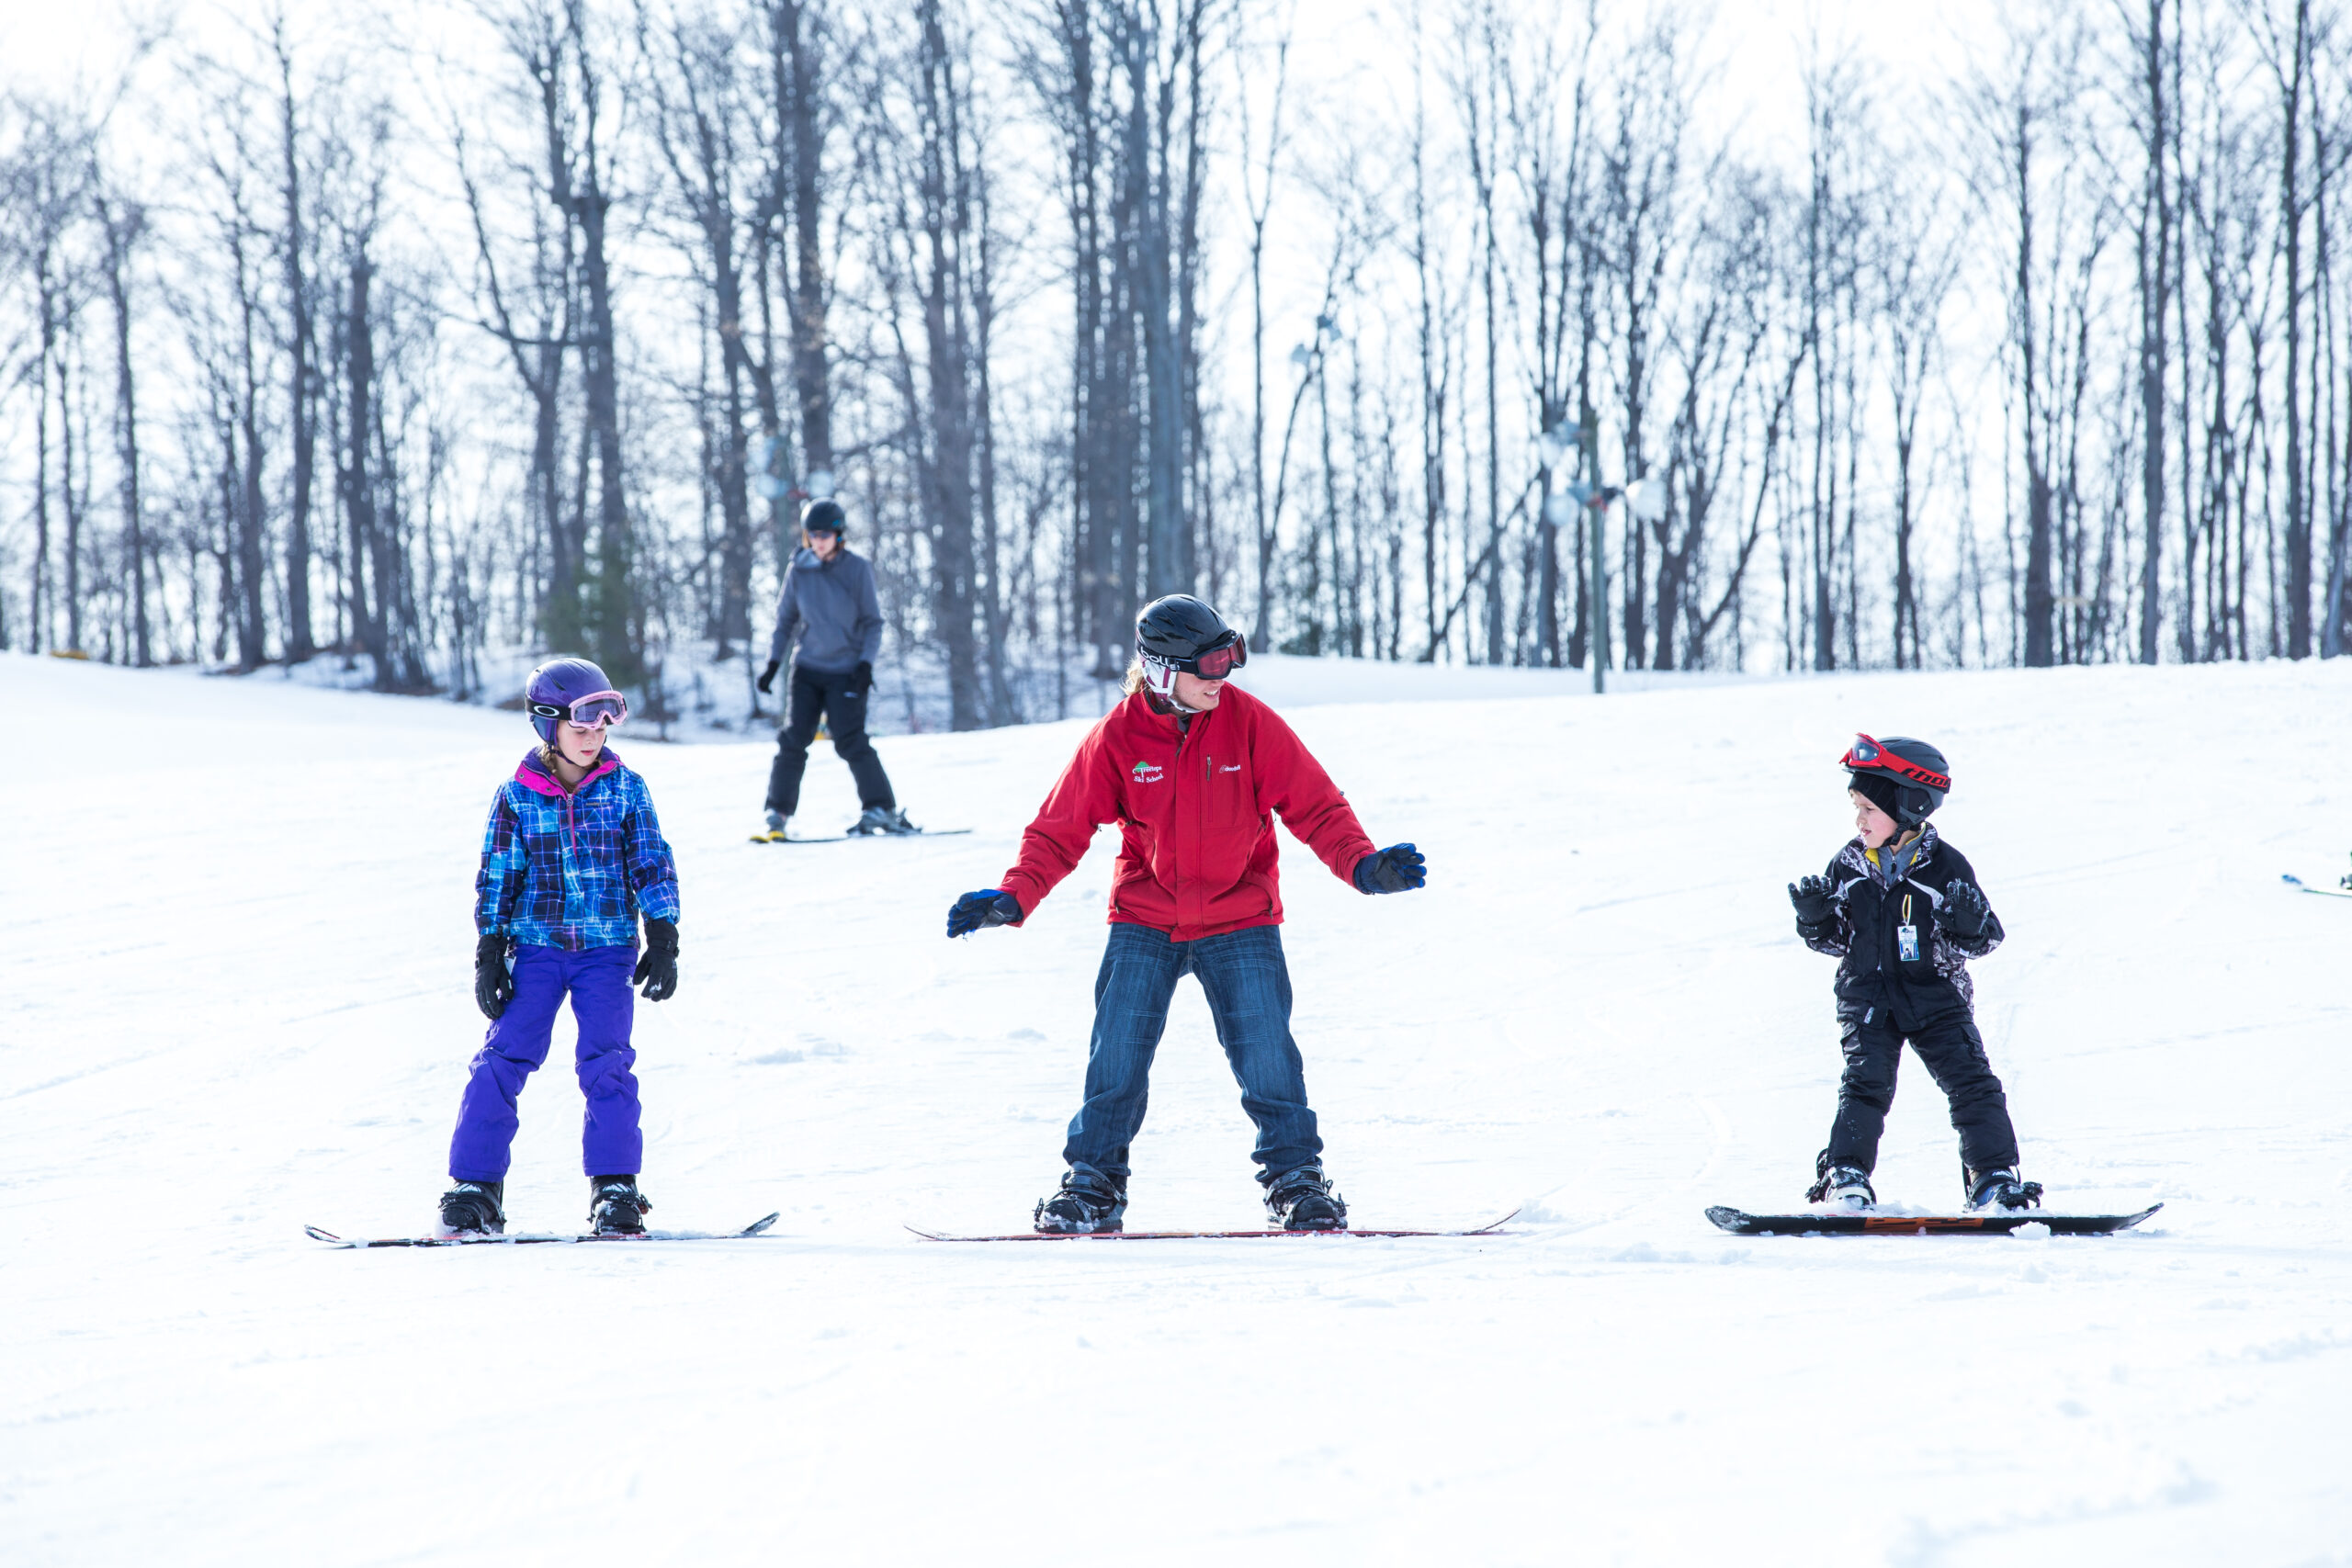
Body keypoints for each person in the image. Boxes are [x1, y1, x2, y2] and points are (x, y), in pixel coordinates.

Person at [944, 594, 1429, 1234]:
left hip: (1240, 916)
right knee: (1115, 1056)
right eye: (1210, 665)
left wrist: (1364, 867)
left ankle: (1296, 1180)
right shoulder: (1118, 736)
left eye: (1230, 659)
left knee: (1267, 1057)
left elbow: (1316, 805)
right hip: (1147, 918)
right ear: (1164, 671)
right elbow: (1059, 829)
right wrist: (1015, 896)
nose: (1223, 677)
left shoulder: (1249, 723)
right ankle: (1093, 1185)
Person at [441, 657, 682, 1237]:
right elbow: (499, 873)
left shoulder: (625, 788)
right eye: (581, 726)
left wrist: (664, 933)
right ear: (548, 725)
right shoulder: (518, 795)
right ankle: (476, 1187)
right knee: (502, 1062)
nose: (593, 736)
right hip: (538, 950)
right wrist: (491, 950)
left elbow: (651, 862)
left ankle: (615, 1188)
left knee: (607, 1065)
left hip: (608, 950)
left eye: (603, 724)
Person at [1786, 734, 2039, 1214]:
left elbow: (1986, 940)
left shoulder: (1946, 867)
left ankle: (1993, 1179)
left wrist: (1966, 924)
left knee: (1973, 1084)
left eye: (1868, 809)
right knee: (1865, 1084)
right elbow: (1835, 941)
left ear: (1907, 805)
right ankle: (1846, 1175)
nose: (1859, 820)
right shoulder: (1849, 864)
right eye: (1856, 808)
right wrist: (1815, 918)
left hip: (1936, 999)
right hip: (1868, 999)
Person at [755, 498, 912, 839]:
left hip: (847, 670)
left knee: (850, 740)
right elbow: (785, 622)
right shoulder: (798, 570)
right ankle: (777, 812)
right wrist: (772, 664)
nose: (819, 540)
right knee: (793, 740)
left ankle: (880, 808)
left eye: (825, 533)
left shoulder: (857, 569)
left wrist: (866, 664)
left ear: (839, 535)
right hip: (808, 669)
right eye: (813, 534)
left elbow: (873, 622)